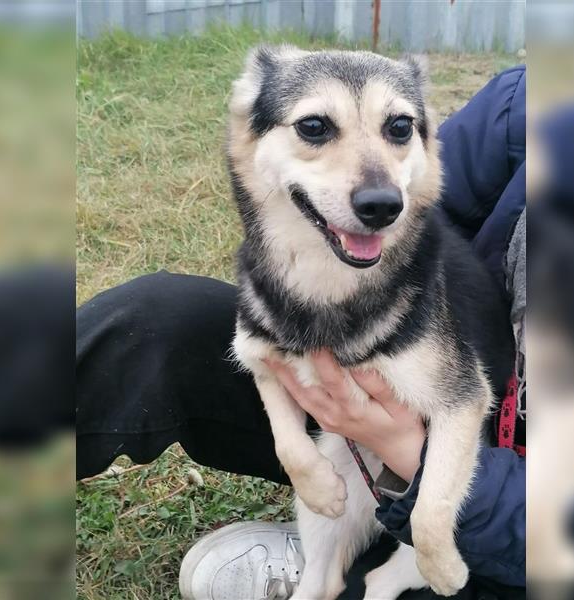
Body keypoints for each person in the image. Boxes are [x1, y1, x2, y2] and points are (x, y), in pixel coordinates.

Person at [76, 65, 527, 600]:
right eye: (316, 127)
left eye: (397, 128)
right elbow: (418, 200)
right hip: (357, 414)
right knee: (152, 319)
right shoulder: (528, 104)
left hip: (516, 520)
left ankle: (350, 565)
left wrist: (409, 455)